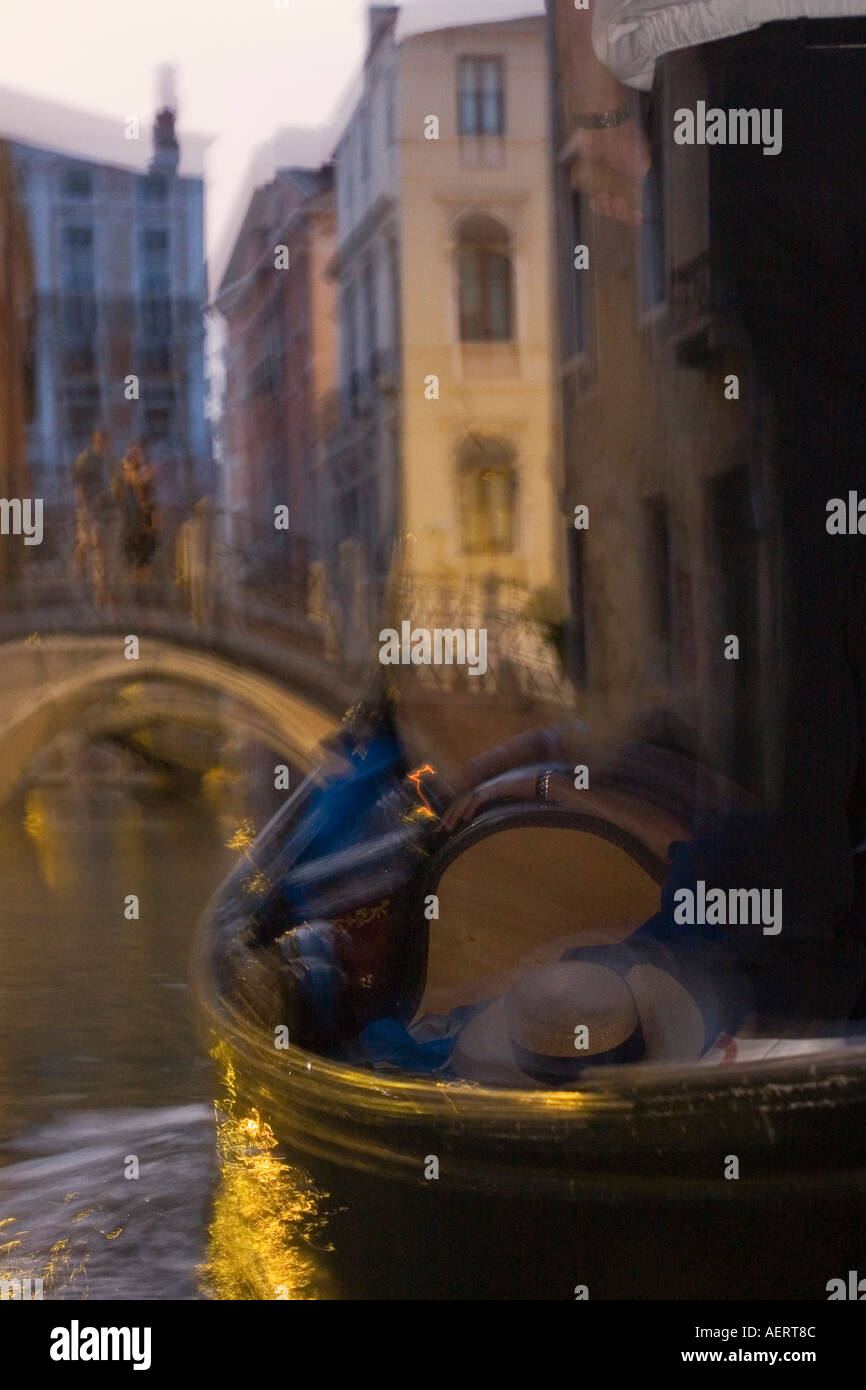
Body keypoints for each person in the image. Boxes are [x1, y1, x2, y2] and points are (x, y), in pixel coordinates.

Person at [72, 427, 112, 610]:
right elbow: (78, 484)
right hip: (89, 509)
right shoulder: (86, 459)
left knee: (99, 546)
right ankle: (79, 566)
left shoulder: (107, 461)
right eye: (100, 440)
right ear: (95, 440)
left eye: (105, 440)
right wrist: (84, 506)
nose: (103, 444)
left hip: (102, 511)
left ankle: (100, 592)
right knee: (87, 542)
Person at [111, 442, 158, 591]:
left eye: (137, 454)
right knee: (130, 555)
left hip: (146, 521)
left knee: (145, 557)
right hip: (129, 521)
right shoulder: (122, 473)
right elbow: (116, 494)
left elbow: (145, 485)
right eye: (131, 454)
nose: (134, 458)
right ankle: (133, 588)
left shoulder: (147, 470)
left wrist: (132, 472)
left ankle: (144, 589)